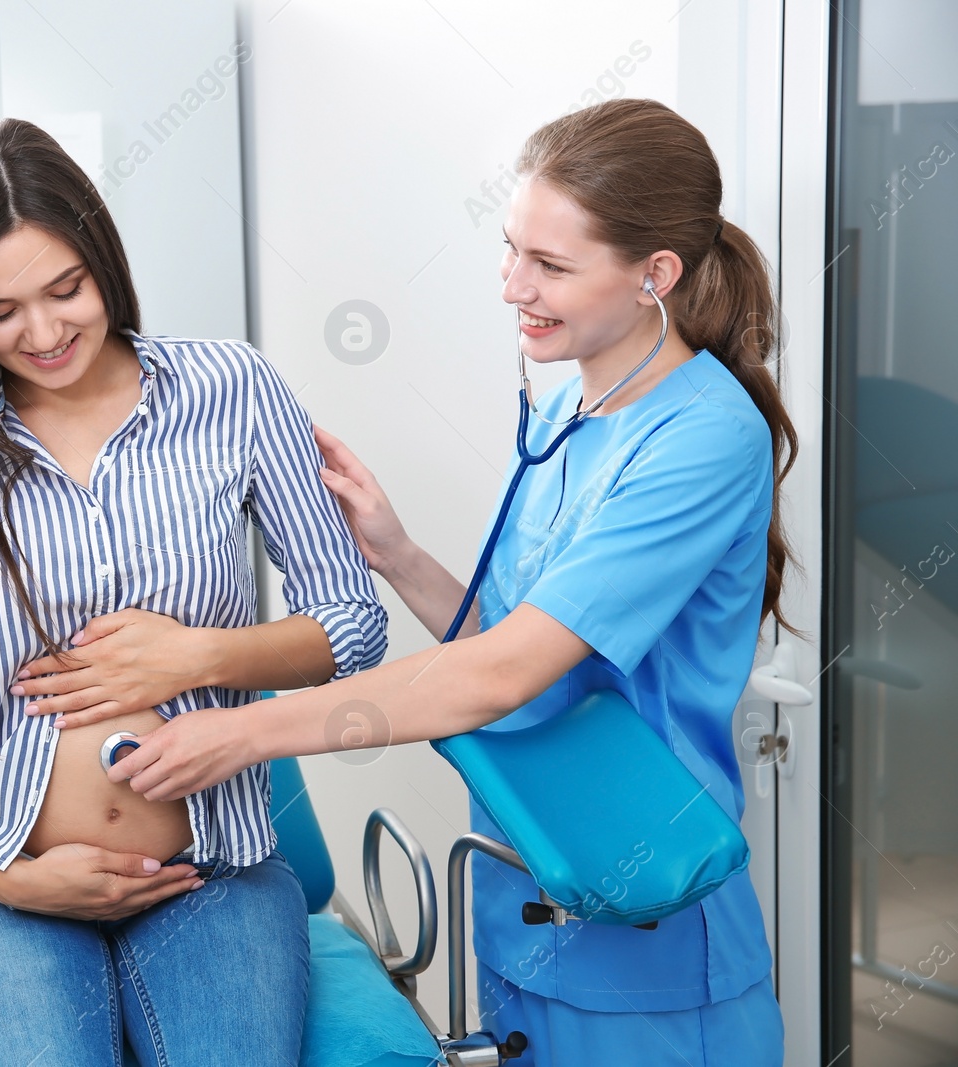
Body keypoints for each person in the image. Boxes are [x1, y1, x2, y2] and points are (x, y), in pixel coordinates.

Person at [95, 99, 792, 1065]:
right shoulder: (573, 403)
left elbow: (501, 675)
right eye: (511, 251)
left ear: (654, 276)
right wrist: (396, 551)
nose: (513, 287)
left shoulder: (703, 437)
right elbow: (518, 638)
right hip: (524, 906)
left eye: (550, 266)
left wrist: (238, 731)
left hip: (646, 950)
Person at [0, 118, 386, 1066]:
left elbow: (354, 626)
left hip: (213, 872)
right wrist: (10, 879)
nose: (43, 332)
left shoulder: (234, 389)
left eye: (65, 289)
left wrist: (203, 653)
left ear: (101, 258)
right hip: (2, 878)